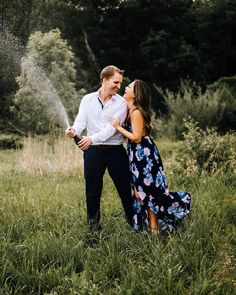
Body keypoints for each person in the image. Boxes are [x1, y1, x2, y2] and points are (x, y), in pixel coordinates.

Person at [111, 79, 191, 234]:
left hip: (144, 157)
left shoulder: (136, 112)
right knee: (141, 193)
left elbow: (136, 137)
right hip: (137, 155)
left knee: (145, 193)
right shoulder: (130, 109)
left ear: (135, 94)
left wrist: (117, 127)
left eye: (129, 87)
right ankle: (153, 230)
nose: (126, 88)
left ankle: (156, 228)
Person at [66, 65, 133, 231]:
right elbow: (81, 121)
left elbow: (111, 130)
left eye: (120, 83)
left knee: (125, 189)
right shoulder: (87, 99)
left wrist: (90, 139)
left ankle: (135, 224)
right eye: (115, 82)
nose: (119, 86)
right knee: (93, 191)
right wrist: (73, 130)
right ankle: (94, 230)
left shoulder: (122, 103)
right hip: (93, 152)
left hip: (115, 151)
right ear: (105, 80)